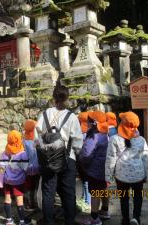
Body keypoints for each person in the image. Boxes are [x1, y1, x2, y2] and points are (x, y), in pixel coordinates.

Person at [35, 85, 83, 225]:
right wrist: (77, 155)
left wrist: (45, 147)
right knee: (68, 193)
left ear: (54, 97)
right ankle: (69, 222)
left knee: (48, 193)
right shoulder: (72, 117)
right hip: (68, 159)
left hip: (48, 159)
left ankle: (49, 222)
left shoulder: (44, 114)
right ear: (67, 98)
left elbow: (37, 139)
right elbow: (78, 142)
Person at [105, 112, 148, 225]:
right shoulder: (141, 140)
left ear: (122, 123)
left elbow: (111, 158)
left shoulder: (114, 139)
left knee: (124, 198)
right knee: (138, 197)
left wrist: (108, 176)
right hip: (138, 174)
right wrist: (146, 174)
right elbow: (146, 158)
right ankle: (136, 218)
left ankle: (125, 220)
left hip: (121, 175)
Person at [79, 111, 110, 225]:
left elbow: (86, 154)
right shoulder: (105, 133)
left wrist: (82, 162)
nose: (87, 122)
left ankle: (94, 218)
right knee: (103, 189)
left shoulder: (93, 136)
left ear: (93, 123)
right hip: (104, 167)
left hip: (95, 169)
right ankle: (105, 210)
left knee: (95, 192)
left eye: (88, 120)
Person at [0, 130, 31, 225]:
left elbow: (1, 167)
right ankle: (21, 221)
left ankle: (9, 220)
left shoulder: (5, 152)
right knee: (19, 199)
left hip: (7, 180)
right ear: (19, 140)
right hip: (18, 181)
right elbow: (25, 168)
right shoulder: (22, 154)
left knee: (7, 198)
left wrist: (0, 180)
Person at [23, 119, 39, 211]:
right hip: (38, 167)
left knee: (30, 186)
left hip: (29, 168)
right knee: (37, 185)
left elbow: (24, 156)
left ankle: (31, 204)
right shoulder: (37, 140)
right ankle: (38, 202)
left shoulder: (25, 142)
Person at [76, 112, 91, 213]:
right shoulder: (92, 132)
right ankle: (85, 199)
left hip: (81, 160)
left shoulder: (80, 133)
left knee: (85, 182)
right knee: (86, 182)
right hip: (89, 160)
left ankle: (87, 201)